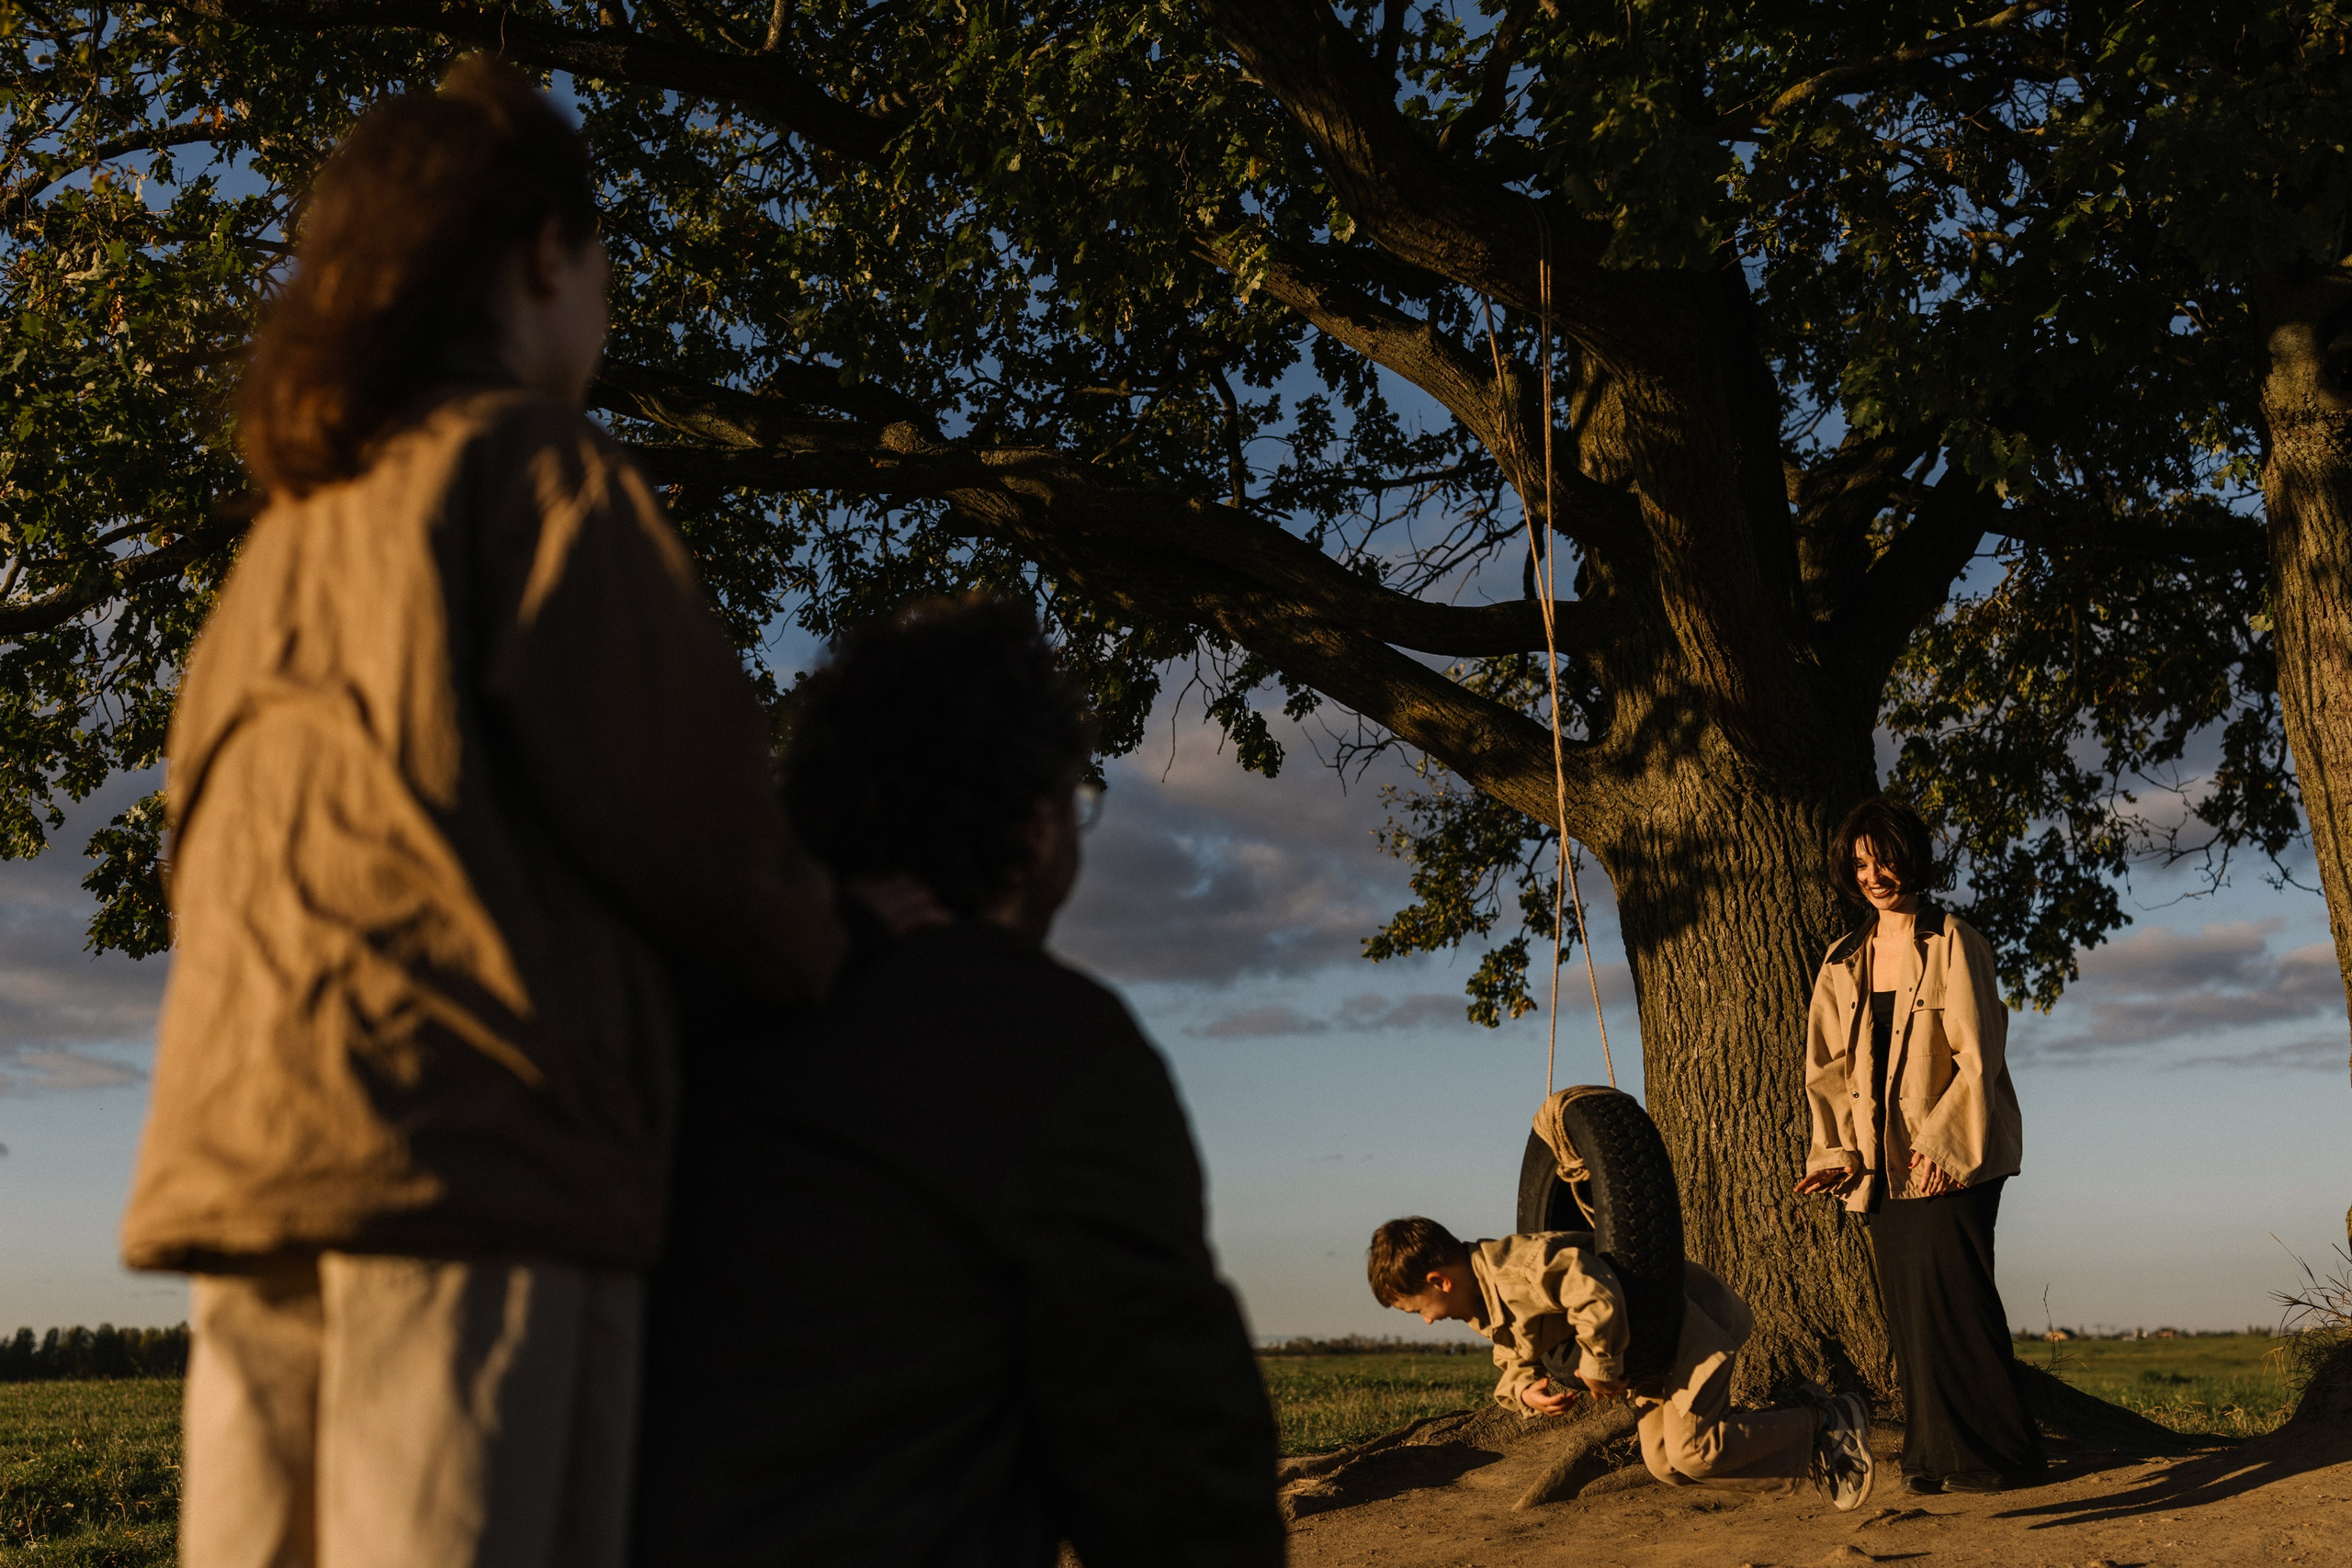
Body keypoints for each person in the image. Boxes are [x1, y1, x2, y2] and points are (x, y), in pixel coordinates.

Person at [117, 58, 842, 1568]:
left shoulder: (271, 560)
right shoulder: (533, 470)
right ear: (540, 253)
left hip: (249, 1172)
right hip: (475, 1157)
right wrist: (836, 943)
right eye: (603, 267)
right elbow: (695, 822)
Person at [629, 596, 1283, 1568]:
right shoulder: (1046, 1045)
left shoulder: (662, 1013)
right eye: (1078, 803)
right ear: (1031, 830)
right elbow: (1176, 1475)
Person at [1795, 795, 2044, 1495]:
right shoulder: (1842, 959)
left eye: (1886, 859)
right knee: (1910, 1313)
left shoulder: (1955, 941)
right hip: (1881, 1171)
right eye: (1862, 863)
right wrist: (1835, 1156)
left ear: (1914, 859)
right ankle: (1932, 1459)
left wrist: (1943, 1146)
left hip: (1953, 1160)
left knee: (1959, 1301)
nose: (1874, 874)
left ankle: (1999, 1458)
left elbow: (1978, 1056)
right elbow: (1826, 1072)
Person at [1367, 1215, 1875, 1507]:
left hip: (1686, 1332)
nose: (1427, 1322)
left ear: (1439, 1281)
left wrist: (1598, 1364)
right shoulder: (1483, 1303)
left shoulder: (1519, 1268)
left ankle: (1825, 1419)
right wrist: (1524, 1390)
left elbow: (1594, 1294)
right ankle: (1810, 1452)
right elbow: (1514, 1353)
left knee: (1696, 1452)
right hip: (1651, 1365)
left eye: (1418, 1311)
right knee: (1665, 1466)